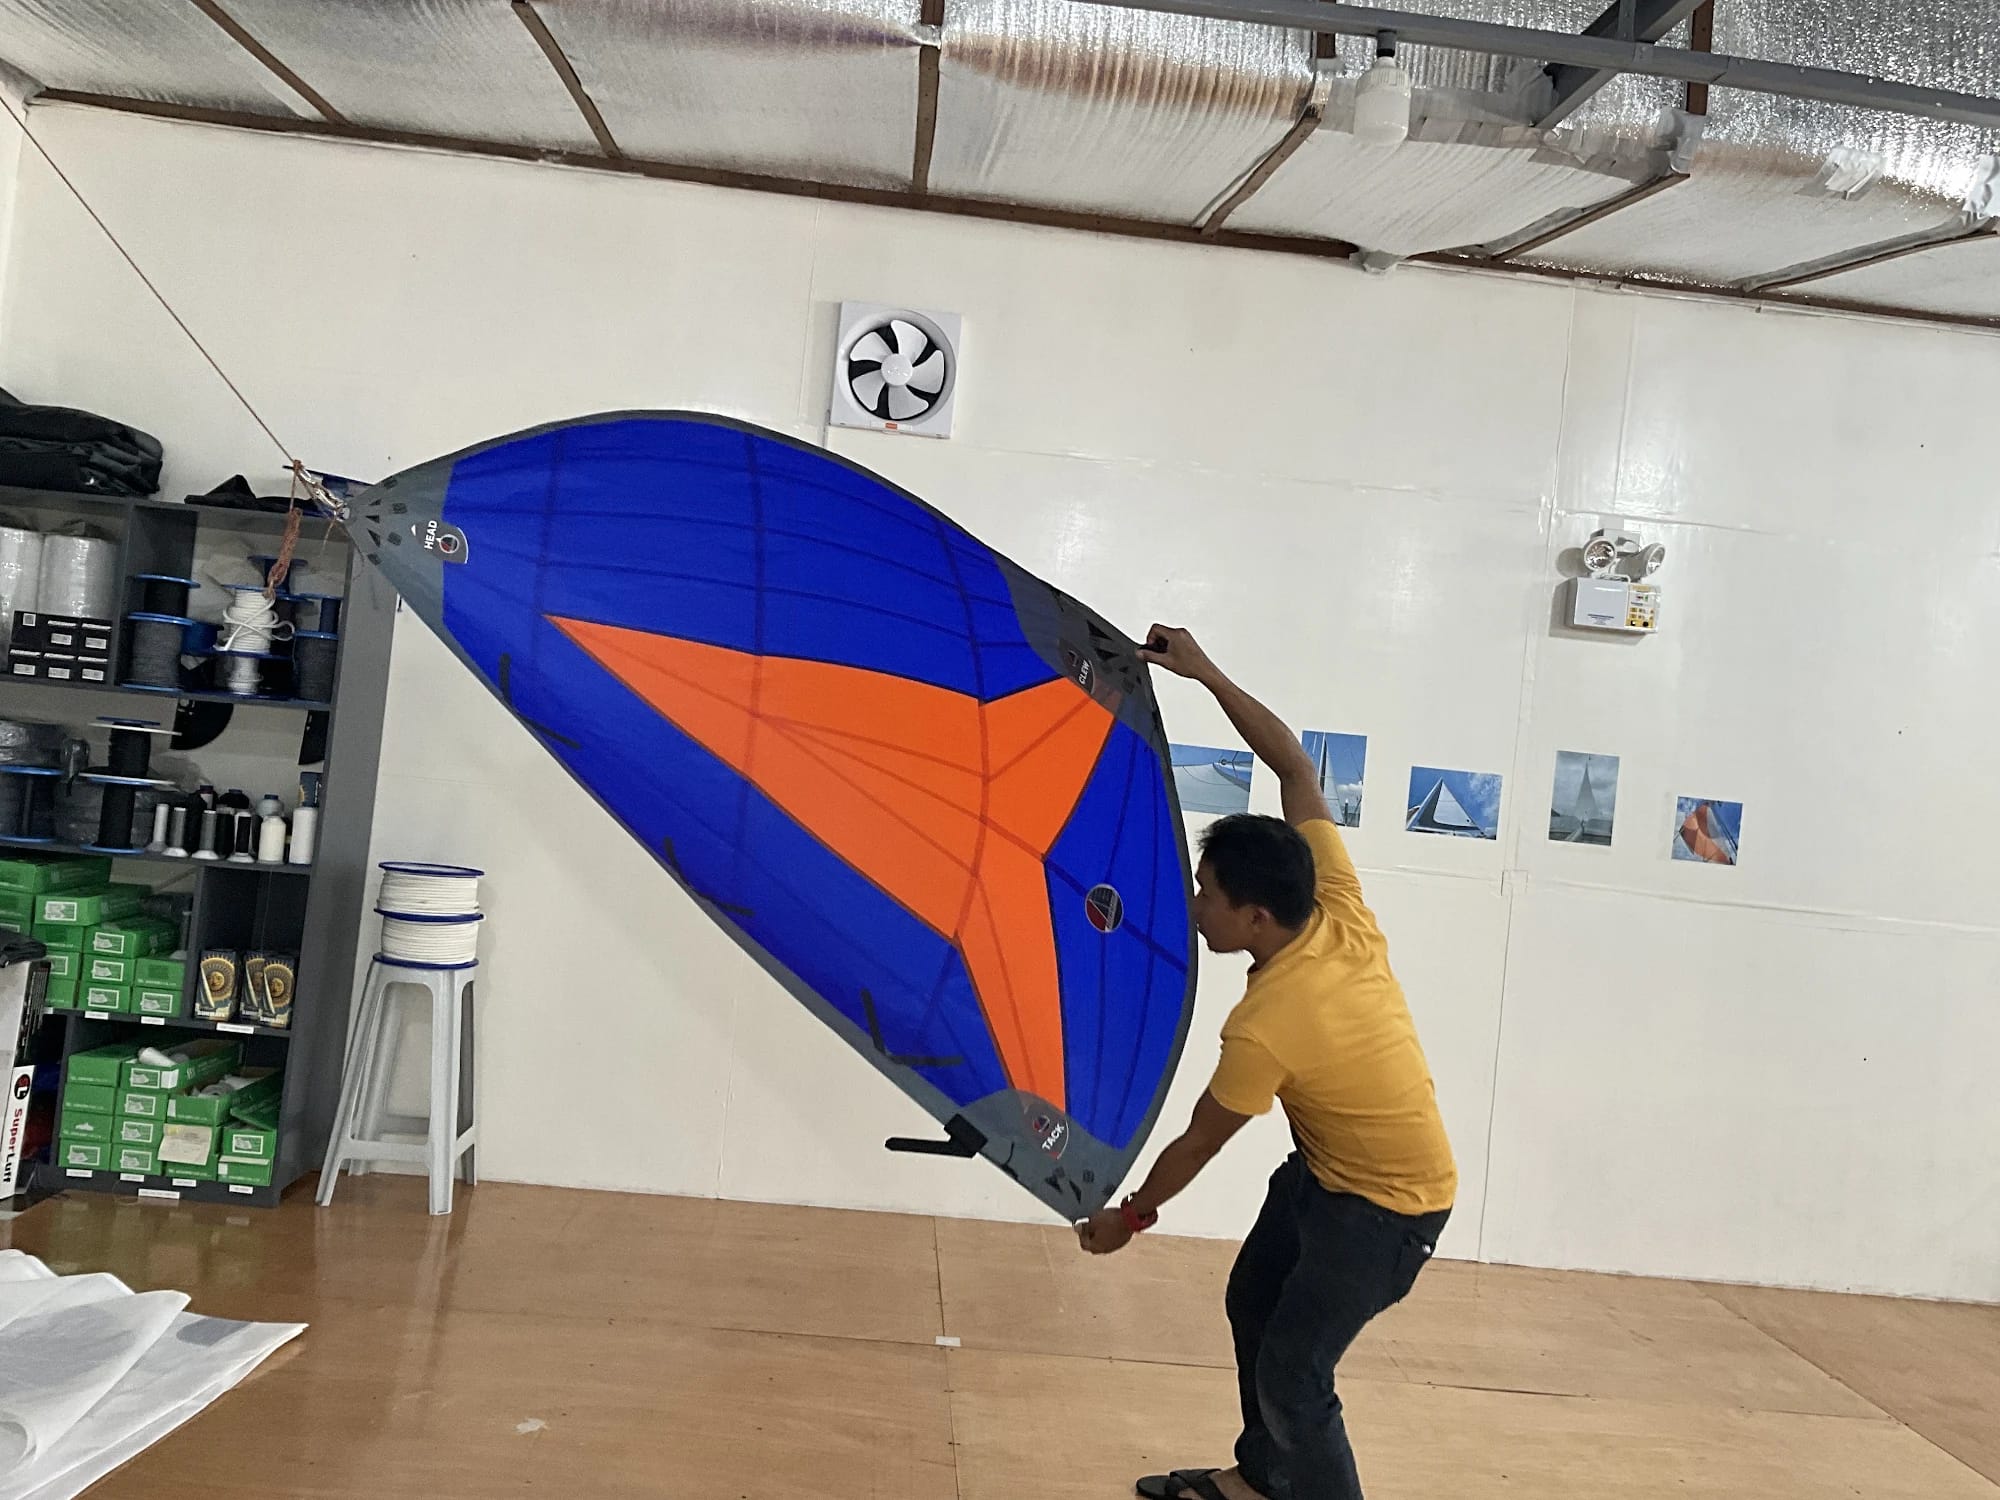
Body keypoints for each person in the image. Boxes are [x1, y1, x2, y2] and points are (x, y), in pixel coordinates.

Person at [1077, 625, 1457, 1500]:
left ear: (1255, 918)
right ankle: (1263, 1480)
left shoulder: (1270, 1024)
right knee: (1253, 1297)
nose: (1194, 906)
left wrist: (1127, 1219)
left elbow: (1199, 1142)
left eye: (1207, 895)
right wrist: (1204, 673)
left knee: (1295, 1373)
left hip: (1390, 1211)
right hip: (1326, 1174)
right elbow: (1292, 766)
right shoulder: (1333, 897)